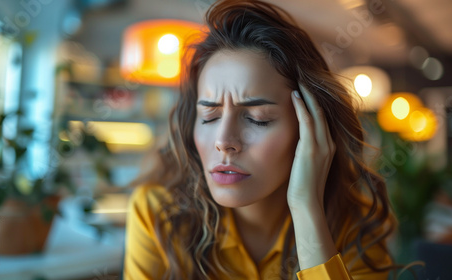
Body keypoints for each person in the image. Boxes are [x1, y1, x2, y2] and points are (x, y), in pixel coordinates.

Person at [123, 0, 397, 279]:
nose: (224, 141)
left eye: (258, 118)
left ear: (311, 129)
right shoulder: (157, 212)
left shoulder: (355, 225)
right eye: (209, 115)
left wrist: (306, 210)